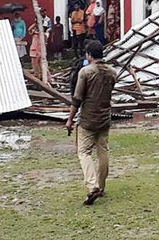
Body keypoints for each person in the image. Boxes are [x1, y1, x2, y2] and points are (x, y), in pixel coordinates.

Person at [65, 41, 116, 206]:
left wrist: (70, 119)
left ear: (89, 55)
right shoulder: (112, 72)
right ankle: (101, 187)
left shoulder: (85, 72)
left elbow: (77, 98)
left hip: (88, 119)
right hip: (105, 118)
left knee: (84, 152)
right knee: (103, 152)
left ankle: (92, 185)